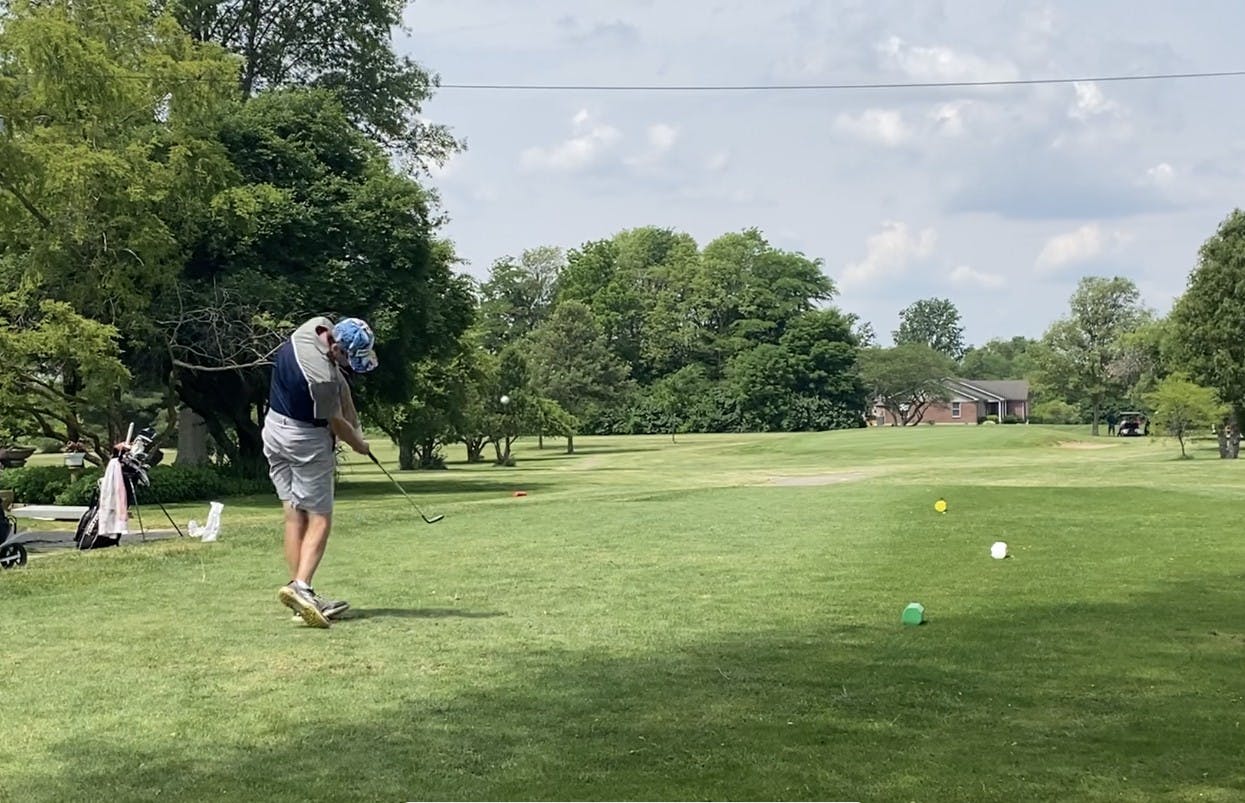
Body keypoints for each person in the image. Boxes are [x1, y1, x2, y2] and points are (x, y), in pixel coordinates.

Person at [262, 315, 378, 628]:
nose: (350, 365)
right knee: (320, 517)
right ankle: (301, 586)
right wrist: (360, 445)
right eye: (348, 358)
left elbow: (342, 387)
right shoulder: (320, 379)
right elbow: (336, 424)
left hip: (273, 429)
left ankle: (301, 594)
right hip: (304, 440)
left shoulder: (317, 326)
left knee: (294, 514)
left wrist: (354, 418)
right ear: (338, 350)